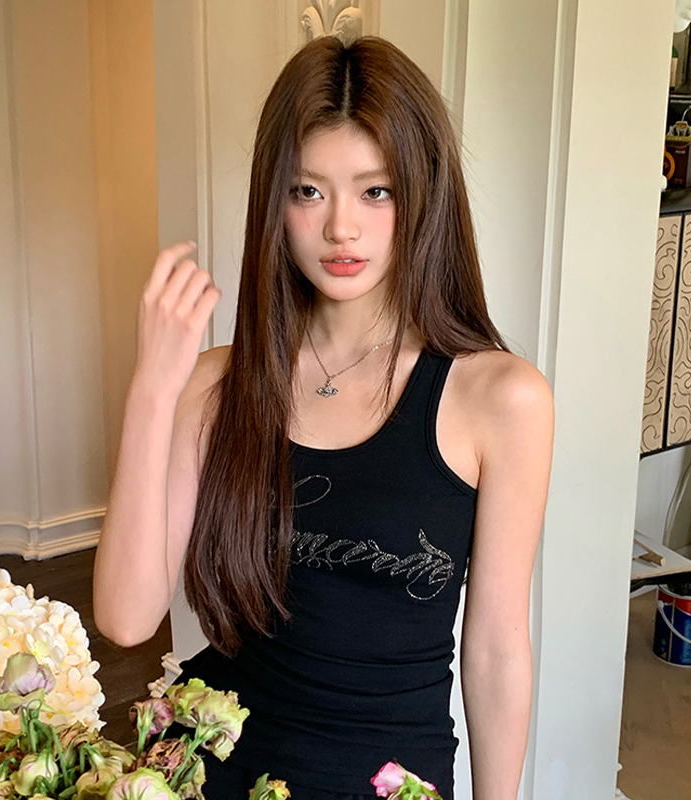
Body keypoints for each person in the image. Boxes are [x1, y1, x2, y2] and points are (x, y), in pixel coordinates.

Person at [93, 35, 555, 800]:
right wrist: (152, 389)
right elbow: (126, 618)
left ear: (424, 194)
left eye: (376, 191)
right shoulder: (216, 385)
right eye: (309, 191)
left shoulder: (502, 400)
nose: (342, 227)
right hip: (213, 766)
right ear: (274, 202)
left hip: (387, 781)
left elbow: (497, 650)